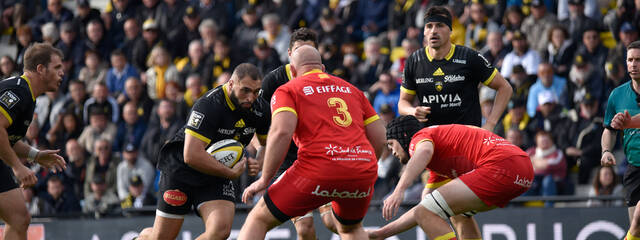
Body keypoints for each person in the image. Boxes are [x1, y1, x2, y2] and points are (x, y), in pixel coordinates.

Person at [238, 45, 386, 240]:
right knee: (350, 229)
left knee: (258, 219)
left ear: (292, 70)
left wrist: (265, 179)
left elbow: (282, 131)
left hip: (317, 168)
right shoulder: (352, 90)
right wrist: (356, 166)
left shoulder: (288, 89)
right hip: (362, 167)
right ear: (322, 68)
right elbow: (380, 137)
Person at [137, 63, 269, 240]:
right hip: (182, 170)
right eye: (245, 90)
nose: (250, 97)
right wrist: (230, 172)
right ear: (231, 84)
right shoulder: (209, 105)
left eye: (256, 91)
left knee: (220, 231)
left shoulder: (260, 107)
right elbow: (191, 155)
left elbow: (265, 142)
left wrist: (259, 160)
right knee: (160, 237)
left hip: (215, 175)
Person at [374, 116, 533, 240]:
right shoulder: (438, 163)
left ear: (403, 136)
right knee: (456, 212)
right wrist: (381, 234)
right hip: (523, 169)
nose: (391, 151)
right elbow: (423, 207)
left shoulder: (420, 138)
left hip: (501, 166)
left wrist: (399, 191)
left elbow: (423, 153)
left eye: (391, 144)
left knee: (427, 212)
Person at [258, 27, 337, 239]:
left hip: (319, 157)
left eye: (309, 51)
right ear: (289, 54)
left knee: (332, 221)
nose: (304, 55)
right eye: (298, 50)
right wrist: (261, 149)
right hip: (287, 160)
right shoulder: (273, 81)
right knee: (304, 228)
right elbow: (258, 120)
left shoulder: (325, 79)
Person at [399, 6, 513, 132]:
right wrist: (412, 111)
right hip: (432, 137)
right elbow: (403, 102)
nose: (433, 31)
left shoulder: (469, 57)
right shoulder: (414, 61)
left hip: (466, 138)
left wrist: (490, 124)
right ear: (424, 31)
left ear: (450, 30)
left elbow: (505, 87)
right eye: (429, 26)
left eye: (440, 25)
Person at [0, 43, 67, 240]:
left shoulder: (27, 95)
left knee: (20, 219)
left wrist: (34, 155)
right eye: (56, 68)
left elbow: (7, 139)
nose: (62, 73)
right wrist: (17, 166)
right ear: (40, 69)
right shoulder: (18, 92)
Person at [603, 40, 640, 240]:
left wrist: (630, 122)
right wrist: (606, 151)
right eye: (630, 60)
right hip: (634, 167)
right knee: (636, 228)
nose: (634, 64)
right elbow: (609, 129)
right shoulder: (617, 95)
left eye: (638, 60)